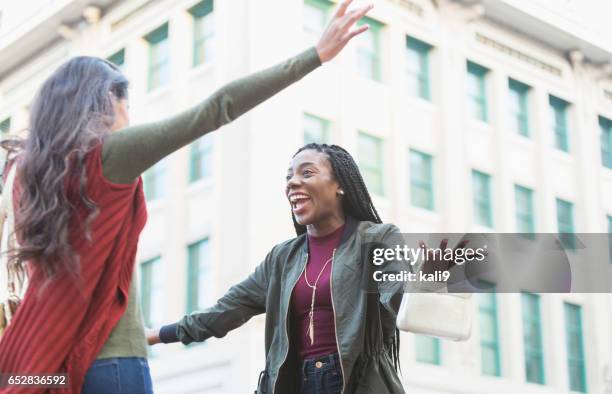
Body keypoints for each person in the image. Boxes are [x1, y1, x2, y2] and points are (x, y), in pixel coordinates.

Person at [0, 1, 373, 392]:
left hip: (42, 362)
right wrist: (315, 55)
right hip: (110, 362)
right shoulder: (109, 157)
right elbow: (217, 109)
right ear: (108, 101)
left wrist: (160, 334)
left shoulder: (24, 175)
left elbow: (431, 271)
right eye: (126, 102)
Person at [149, 143, 406, 394]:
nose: (292, 183)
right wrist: (156, 336)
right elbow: (224, 311)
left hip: (359, 383)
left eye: (307, 173)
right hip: (296, 383)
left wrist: (436, 268)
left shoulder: (377, 239)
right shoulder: (282, 259)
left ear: (339, 185)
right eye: (289, 177)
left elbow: (404, 290)